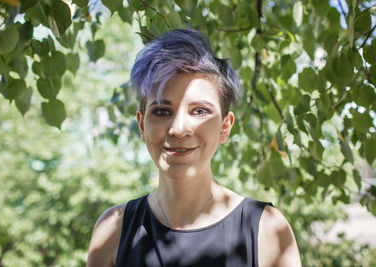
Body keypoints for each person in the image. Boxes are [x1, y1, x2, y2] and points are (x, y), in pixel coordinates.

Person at [87, 29, 301, 267]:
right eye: (162, 111)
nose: (178, 129)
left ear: (225, 126)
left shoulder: (268, 231)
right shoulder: (113, 231)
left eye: (200, 111)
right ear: (142, 125)